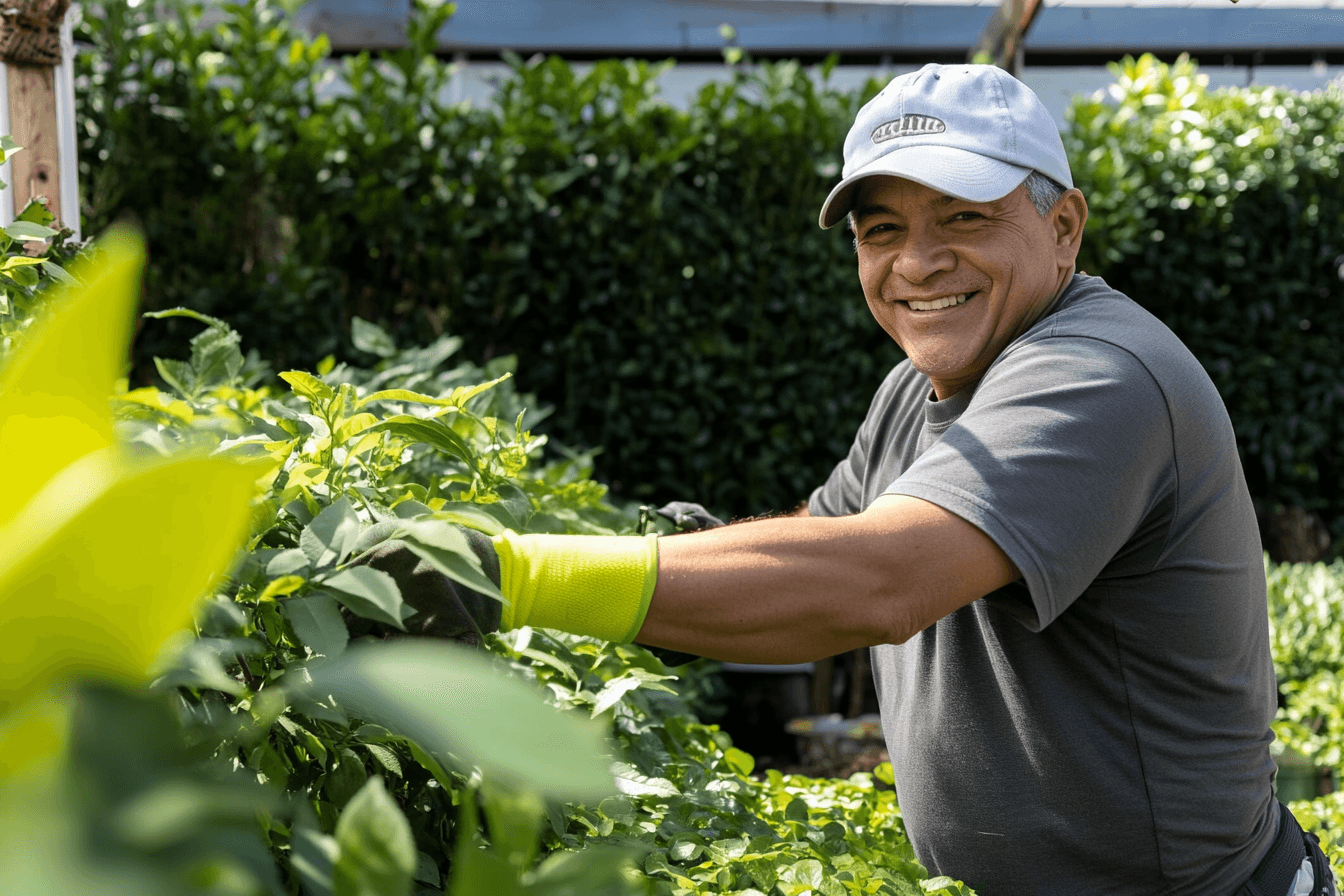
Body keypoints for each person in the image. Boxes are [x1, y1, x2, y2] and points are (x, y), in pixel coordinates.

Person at [359, 64, 1337, 896]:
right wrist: (695, 555)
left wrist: (511, 575)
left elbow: (878, 577)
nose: (918, 261)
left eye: (964, 216)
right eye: (880, 230)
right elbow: (830, 530)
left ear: (1066, 226)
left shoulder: (1100, 374)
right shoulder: (922, 386)